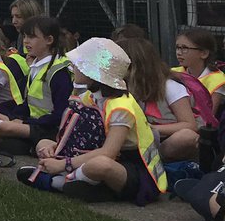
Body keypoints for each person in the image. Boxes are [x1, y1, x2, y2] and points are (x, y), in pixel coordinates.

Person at [20, 37, 166, 205]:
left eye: (78, 65)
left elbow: (108, 153)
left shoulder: (121, 107)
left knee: (100, 165)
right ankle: (86, 184)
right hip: (93, 153)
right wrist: (56, 147)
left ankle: (58, 181)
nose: (72, 67)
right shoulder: (89, 96)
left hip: (132, 167)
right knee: (43, 142)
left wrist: (63, 164)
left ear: (93, 72)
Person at [0, 15, 71, 154]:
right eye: (25, 36)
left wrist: (24, 123)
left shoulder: (59, 72)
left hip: (51, 127)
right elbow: (29, 104)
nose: (26, 41)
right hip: (36, 123)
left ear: (49, 40)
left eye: (32, 37)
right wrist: (14, 117)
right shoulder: (36, 66)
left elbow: (62, 114)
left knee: (3, 128)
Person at [121, 36, 200, 161]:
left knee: (187, 136)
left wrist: (152, 129)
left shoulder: (169, 86)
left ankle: (155, 161)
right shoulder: (123, 85)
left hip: (163, 138)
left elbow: (190, 125)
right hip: (135, 138)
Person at [173, 28, 224, 114]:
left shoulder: (218, 80)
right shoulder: (173, 73)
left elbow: (207, 117)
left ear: (204, 53)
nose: (179, 52)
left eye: (184, 48)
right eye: (177, 47)